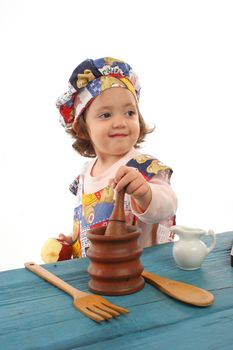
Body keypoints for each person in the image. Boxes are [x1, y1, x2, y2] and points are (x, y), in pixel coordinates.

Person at [44, 57, 178, 261]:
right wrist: (71, 241)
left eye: (129, 112)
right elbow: (89, 223)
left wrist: (145, 193)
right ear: (82, 129)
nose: (120, 122)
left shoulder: (143, 166)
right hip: (94, 275)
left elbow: (168, 205)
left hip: (137, 276)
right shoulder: (84, 174)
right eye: (106, 115)